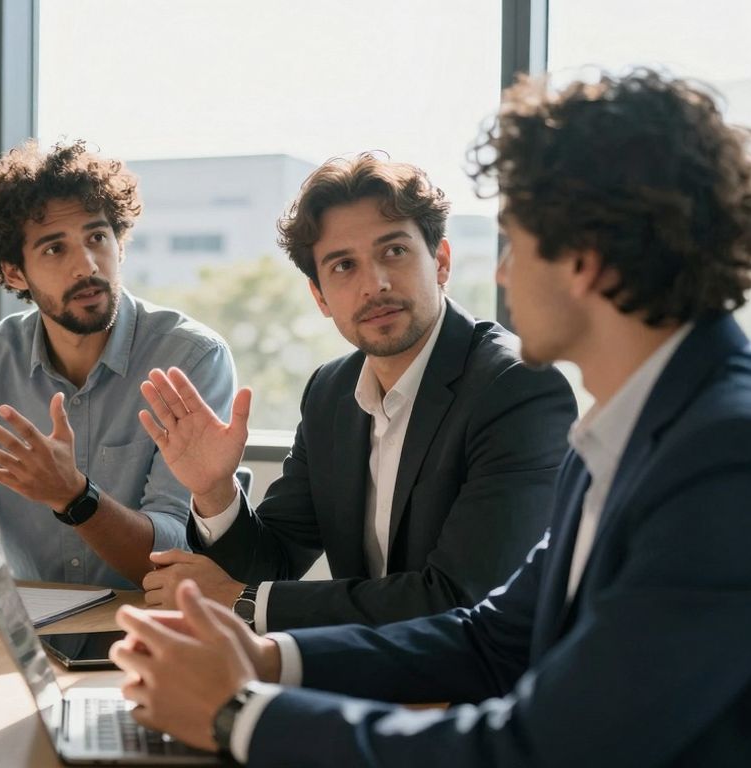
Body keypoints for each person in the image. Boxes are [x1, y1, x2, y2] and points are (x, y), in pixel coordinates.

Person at [111, 69, 751, 766]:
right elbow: (488, 637)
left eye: (515, 240)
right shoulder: (630, 434)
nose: (502, 274)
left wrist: (242, 717)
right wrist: (267, 661)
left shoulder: (724, 455)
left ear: (585, 257)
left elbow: (542, 748)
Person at [138, 154, 576, 631]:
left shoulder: (515, 387)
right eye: (344, 266)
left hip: (483, 689)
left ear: (442, 261)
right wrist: (213, 489)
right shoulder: (331, 392)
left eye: (394, 252)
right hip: (370, 673)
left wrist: (244, 602)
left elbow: (461, 598)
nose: (375, 285)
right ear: (320, 297)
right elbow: (274, 563)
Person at [0, 140, 236, 588]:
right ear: (13, 272)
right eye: (53, 249)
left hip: (149, 627)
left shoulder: (190, 358)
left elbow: (175, 556)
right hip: (31, 635)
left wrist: (74, 496)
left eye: (97, 238)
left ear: (119, 245)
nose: (86, 265)